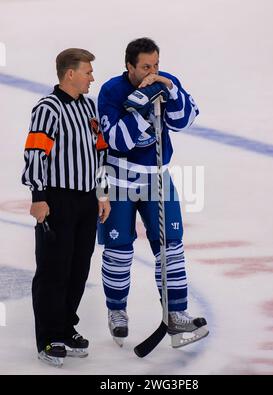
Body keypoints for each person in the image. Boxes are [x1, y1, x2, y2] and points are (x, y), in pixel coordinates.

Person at [97, 37, 208, 348]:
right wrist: (142, 105)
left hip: (157, 177)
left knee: (171, 246)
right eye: (146, 66)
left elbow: (185, 120)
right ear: (129, 66)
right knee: (119, 251)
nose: (153, 71)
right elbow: (118, 140)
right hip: (118, 178)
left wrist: (169, 91)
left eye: (156, 64)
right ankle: (117, 311)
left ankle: (176, 313)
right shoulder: (111, 91)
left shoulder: (165, 82)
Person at [21, 48, 110, 366]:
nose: (92, 78)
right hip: (57, 200)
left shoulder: (88, 107)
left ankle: (66, 326)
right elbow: (35, 151)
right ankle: (48, 337)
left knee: (77, 268)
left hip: (86, 200)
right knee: (53, 270)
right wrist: (38, 197)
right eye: (87, 72)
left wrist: (102, 193)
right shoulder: (48, 108)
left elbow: (99, 153)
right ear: (69, 73)